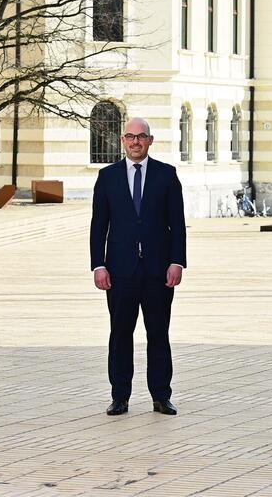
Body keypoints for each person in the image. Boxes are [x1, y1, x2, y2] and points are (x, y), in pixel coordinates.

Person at [90, 117, 186, 416]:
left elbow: (177, 224)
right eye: (130, 137)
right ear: (122, 141)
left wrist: (177, 261)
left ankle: (161, 395)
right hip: (120, 272)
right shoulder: (107, 177)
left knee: (158, 334)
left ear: (150, 140)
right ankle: (120, 396)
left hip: (159, 271)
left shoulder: (166, 175)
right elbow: (98, 225)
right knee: (120, 334)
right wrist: (98, 265)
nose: (135, 142)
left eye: (141, 137)